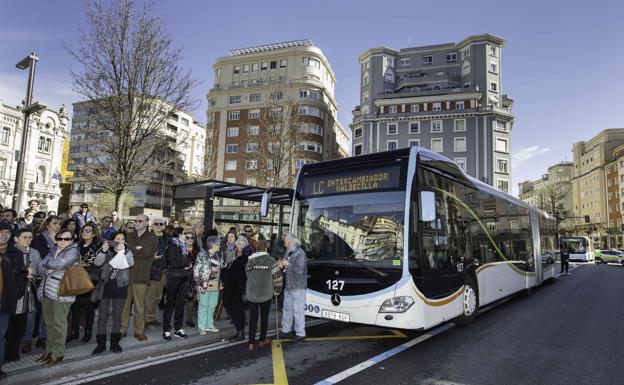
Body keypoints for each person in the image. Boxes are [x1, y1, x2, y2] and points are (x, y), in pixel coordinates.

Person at [36, 228, 79, 367]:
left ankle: (58, 353)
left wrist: (48, 265)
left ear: (71, 240)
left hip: (62, 293)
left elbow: (59, 264)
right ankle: (49, 351)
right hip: (47, 290)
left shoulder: (73, 251)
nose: (62, 241)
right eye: (59, 238)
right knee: (49, 323)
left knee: (59, 324)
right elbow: (39, 267)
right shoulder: (53, 250)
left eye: (66, 239)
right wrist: (49, 267)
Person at [92, 231, 134, 354]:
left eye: (122, 239)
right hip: (105, 287)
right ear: (112, 240)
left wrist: (123, 251)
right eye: (117, 239)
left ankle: (115, 343)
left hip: (120, 287)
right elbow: (97, 263)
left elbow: (131, 263)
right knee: (103, 316)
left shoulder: (127, 251)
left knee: (117, 316)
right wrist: (103, 251)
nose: (119, 241)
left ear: (125, 241)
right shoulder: (107, 250)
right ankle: (101, 344)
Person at [120, 215, 159, 341]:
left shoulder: (152, 237)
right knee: (124, 305)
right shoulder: (129, 235)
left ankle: (139, 332)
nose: (136, 223)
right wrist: (136, 249)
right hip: (127, 274)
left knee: (139, 306)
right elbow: (125, 250)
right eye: (136, 221)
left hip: (141, 276)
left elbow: (147, 252)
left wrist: (131, 248)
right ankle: (122, 330)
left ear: (147, 223)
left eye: (140, 221)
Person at [5, 228, 40, 361]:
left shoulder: (34, 252)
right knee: (9, 327)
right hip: (13, 296)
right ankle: (7, 354)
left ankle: (14, 353)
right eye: (24, 237)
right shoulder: (10, 252)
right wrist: (26, 272)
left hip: (28, 295)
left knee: (21, 327)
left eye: (30, 237)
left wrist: (33, 273)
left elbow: (38, 269)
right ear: (16, 239)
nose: (27, 239)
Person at [0, 223, 27, 379]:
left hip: (5, 303)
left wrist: (17, 293)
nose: (4, 235)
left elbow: (22, 275)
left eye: (7, 232)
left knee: (1, 337)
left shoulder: (14, 253)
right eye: (1, 232)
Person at [67, 222, 101, 343]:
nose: (84, 232)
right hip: (77, 277)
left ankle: (88, 331)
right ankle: (74, 331)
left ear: (93, 234)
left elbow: (99, 263)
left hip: (91, 278)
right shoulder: (77, 245)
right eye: (83, 230)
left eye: (88, 231)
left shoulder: (99, 246)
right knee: (75, 305)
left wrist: (86, 264)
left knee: (88, 306)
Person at [245, 238, 278, 350]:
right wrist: (277, 291)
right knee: (264, 317)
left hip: (253, 293)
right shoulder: (271, 260)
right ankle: (262, 340)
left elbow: (247, 274)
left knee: (253, 319)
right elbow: (277, 277)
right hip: (266, 293)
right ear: (266, 247)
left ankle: (251, 342)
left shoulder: (250, 260)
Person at [162, 227, 193, 341]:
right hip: (174, 277)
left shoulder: (186, 246)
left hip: (184, 277)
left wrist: (188, 263)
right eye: (186, 235)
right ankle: (166, 330)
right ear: (179, 234)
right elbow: (172, 261)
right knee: (169, 304)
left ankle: (178, 328)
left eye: (190, 236)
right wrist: (186, 263)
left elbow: (191, 260)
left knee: (180, 304)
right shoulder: (172, 245)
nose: (188, 237)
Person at [221, 235, 250, 341]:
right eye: (239, 244)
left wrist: (224, 272)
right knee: (238, 312)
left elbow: (233, 275)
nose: (241, 246)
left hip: (237, 289)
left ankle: (240, 333)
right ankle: (240, 332)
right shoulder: (237, 256)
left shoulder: (242, 260)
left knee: (237, 312)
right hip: (239, 288)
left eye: (243, 244)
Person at [280, 233, 307, 342]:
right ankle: (285, 330)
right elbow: (286, 266)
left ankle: (300, 333)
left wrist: (287, 265)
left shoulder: (300, 253)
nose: (284, 241)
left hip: (298, 287)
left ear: (291, 241)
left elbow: (299, 270)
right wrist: (281, 264)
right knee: (287, 309)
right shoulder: (288, 251)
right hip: (289, 286)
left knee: (298, 311)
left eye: (285, 239)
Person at [194, 235, 222, 334]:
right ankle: (202, 326)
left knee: (212, 305)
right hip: (204, 284)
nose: (220, 245)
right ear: (213, 244)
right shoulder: (202, 255)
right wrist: (198, 285)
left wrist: (221, 283)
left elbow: (221, 270)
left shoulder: (219, 255)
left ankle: (209, 325)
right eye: (218, 243)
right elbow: (196, 270)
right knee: (203, 305)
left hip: (215, 284)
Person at [145, 217, 169, 327]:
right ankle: (144, 319)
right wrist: (151, 258)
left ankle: (151, 318)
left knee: (158, 297)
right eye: (156, 224)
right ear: (152, 225)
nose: (159, 226)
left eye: (161, 224)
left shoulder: (167, 237)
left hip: (164, 271)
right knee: (150, 297)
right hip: (152, 271)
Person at [184, 229, 200, 328]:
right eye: (187, 237)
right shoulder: (179, 249)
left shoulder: (198, 251)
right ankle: (178, 319)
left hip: (193, 278)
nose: (189, 239)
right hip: (180, 277)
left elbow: (201, 264)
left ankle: (189, 319)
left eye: (192, 237)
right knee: (179, 300)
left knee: (191, 299)